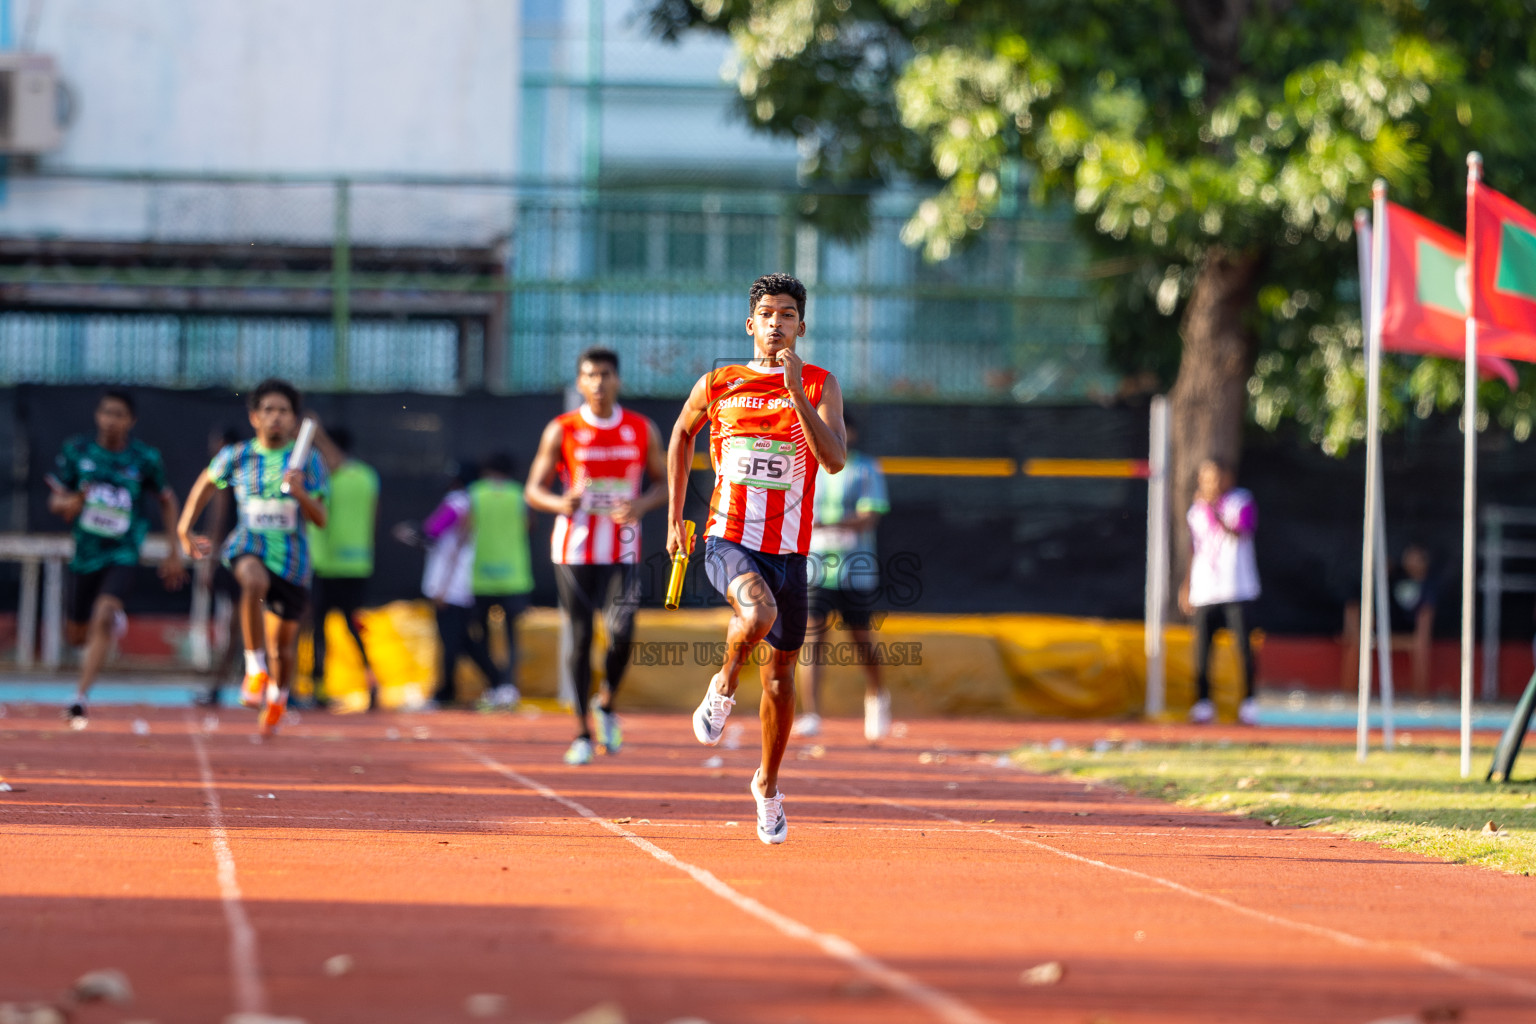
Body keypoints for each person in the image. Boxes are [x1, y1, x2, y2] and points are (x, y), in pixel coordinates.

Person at [667, 272, 847, 845]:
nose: (776, 323)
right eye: (766, 314)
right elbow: (680, 435)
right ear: (751, 324)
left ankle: (767, 786)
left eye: (787, 314)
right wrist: (675, 517)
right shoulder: (720, 381)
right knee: (756, 616)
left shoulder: (819, 385)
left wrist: (796, 393)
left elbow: (835, 460)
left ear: (801, 324)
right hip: (727, 538)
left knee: (780, 682)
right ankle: (721, 687)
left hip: (790, 550)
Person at [526, 347, 668, 765]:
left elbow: (663, 483)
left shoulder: (641, 429)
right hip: (574, 547)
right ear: (580, 383)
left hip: (623, 546)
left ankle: (606, 704)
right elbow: (533, 489)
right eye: (591, 375)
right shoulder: (563, 429)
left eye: (606, 374)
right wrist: (560, 503)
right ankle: (582, 733)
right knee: (581, 635)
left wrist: (641, 506)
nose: (599, 382)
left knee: (623, 630)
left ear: (618, 380)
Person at [177, 379, 328, 738]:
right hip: (249, 544)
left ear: (294, 419)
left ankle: (278, 695)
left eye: (283, 411)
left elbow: (320, 518)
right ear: (254, 417)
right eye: (269, 410)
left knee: (284, 649)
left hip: (292, 559)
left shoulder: (310, 460)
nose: (276, 417)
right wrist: (184, 529)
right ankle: (253, 666)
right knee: (253, 580)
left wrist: (301, 492)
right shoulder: (238, 455)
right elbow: (206, 484)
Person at [47, 389, 187, 727]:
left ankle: (79, 697)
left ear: (131, 421)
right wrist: (71, 505)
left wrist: (174, 549)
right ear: (97, 415)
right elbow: (56, 502)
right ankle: (108, 622)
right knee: (77, 636)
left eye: (119, 415)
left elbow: (167, 499)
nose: (111, 421)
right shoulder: (77, 452)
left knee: (103, 615)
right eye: (106, 413)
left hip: (123, 552)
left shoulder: (144, 459)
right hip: (85, 555)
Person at [792, 413, 891, 742]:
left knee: (862, 641)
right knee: (813, 640)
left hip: (855, 570)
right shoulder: (807, 466)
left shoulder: (865, 468)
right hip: (816, 570)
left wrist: (828, 527)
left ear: (851, 433)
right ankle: (811, 714)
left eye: (839, 429)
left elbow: (869, 516)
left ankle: (877, 699)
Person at [394, 460, 503, 708]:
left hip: (452, 585)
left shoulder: (457, 502)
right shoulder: (476, 502)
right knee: (463, 640)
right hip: (463, 582)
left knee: (453, 640)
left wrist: (442, 586)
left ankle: (447, 692)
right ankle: (496, 683)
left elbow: (432, 532)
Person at [1178, 457, 1260, 726]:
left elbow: (1241, 531)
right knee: (1202, 649)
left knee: (1243, 648)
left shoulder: (1241, 501)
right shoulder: (1195, 510)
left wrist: (1214, 510)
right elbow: (1195, 548)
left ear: (1227, 477)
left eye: (1214, 477)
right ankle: (1203, 703)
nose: (1209, 483)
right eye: (1204, 477)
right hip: (1205, 589)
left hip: (1237, 587)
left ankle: (1248, 701)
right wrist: (1187, 584)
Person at [305, 424, 380, 710]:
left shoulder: (328, 474)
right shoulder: (367, 476)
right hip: (358, 564)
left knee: (319, 630)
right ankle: (371, 683)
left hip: (325, 565)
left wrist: (317, 434)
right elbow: (373, 517)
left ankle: (319, 689)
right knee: (354, 629)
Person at [468, 452, 533, 709]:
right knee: (512, 636)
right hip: (514, 576)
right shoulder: (519, 495)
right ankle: (508, 685)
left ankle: (494, 684)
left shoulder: (475, 493)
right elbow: (529, 525)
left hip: (480, 576)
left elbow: (465, 528)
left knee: (480, 634)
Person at [193, 426, 245, 708]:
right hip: (259, 555)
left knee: (237, 627)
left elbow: (218, 521)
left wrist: (210, 565)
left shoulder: (226, 477)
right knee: (244, 627)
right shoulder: (255, 475)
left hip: (236, 556)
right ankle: (224, 685)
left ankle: (219, 687)